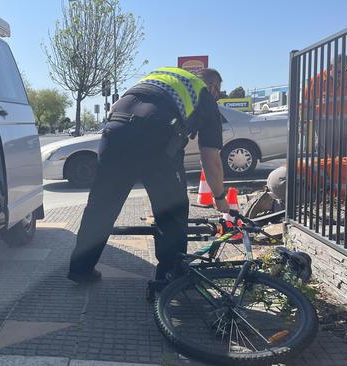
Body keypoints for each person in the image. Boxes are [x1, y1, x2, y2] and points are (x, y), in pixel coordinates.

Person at [68, 67, 230, 284]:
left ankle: (80, 269)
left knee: (101, 205)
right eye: (218, 92)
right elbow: (211, 158)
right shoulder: (204, 95)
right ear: (212, 87)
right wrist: (220, 198)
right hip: (156, 134)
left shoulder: (164, 75)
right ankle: (169, 281)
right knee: (171, 210)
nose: (217, 96)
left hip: (114, 129)